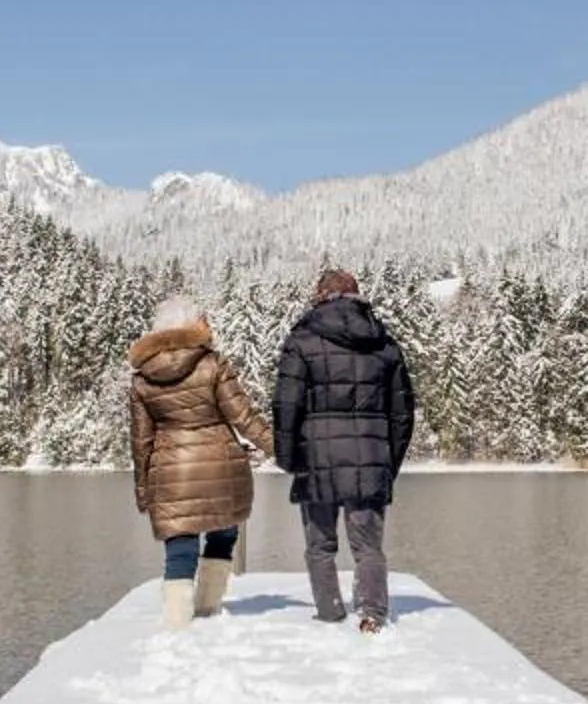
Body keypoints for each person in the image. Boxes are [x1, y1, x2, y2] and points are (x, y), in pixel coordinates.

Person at [273, 268, 416, 632]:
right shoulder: (384, 343)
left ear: (320, 296)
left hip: (316, 458)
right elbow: (402, 413)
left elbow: (286, 406)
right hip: (370, 458)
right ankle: (372, 614)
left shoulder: (302, 340)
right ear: (356, 296)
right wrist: (388, 463)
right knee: (368, 546)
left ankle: (329, 612)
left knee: (320, 545)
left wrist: (288, 458)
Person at [128, 293, 273, 629]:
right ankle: (208, 606)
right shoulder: (212, 364)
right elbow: (243, 417)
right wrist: (281, 448)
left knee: (180, 544)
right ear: (190, 324)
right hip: (220, 466)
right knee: (224, 532)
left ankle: (177, 620)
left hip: (170, 471)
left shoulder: (142, 378)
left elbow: (141, 441)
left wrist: (142, 489)